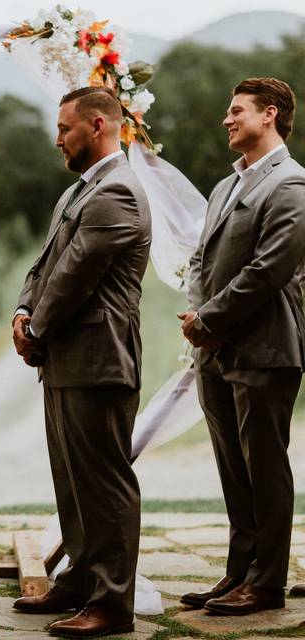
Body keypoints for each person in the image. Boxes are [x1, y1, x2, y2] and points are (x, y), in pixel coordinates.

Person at [10, 87, 150, 638]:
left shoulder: (118, 192)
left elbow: (76, 275)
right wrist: (24, 309)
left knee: (105, 482)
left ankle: (113, 603)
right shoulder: (79, 191)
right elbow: (47, 263)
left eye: (65, 127)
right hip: (68, 356)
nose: (58, 137)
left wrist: (37, 328)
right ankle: (78, 580)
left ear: (98, 125)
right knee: (71, 478)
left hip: (99, 355)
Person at [177, 78, 305, 616]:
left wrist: (209, 317)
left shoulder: (292, 184)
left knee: (264, 468)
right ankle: (239, 572)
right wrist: (195, 314)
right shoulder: (226, 187)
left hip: (265, 348)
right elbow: (205, 261)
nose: (227, 120)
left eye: (236, 111)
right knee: (233, 467)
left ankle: (268, 582)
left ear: (268, 115)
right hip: (215, 350)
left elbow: (269, 268)